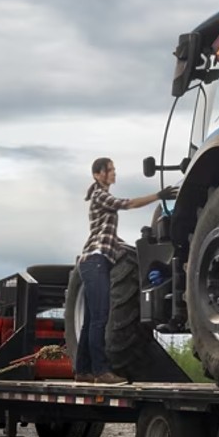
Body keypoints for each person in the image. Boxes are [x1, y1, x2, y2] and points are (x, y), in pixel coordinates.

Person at [78, 157, 177, 385]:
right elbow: (128, 204)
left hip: (95, 260)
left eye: (114, 169)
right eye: (110, 170)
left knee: (91, 319)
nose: (114, 173)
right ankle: (101, 371)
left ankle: (82, 371)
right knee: (100, 319)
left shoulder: (99, 196)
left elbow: (106, 233)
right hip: (95, 261)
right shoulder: (100, 195)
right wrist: (158, 196)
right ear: (97, 174)